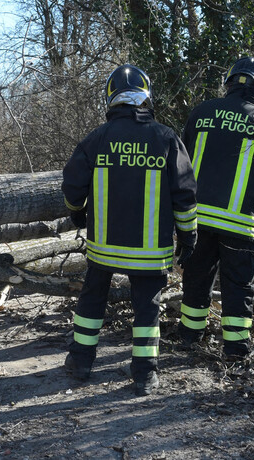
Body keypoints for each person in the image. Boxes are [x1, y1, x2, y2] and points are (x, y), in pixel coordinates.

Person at [62, 64, 198, 396]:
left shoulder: (96, 138)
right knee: (147, 308)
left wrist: (77, 215)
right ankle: (145, 376)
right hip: (150, 251)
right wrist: (188, 235)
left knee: (92, 298)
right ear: (146, 98)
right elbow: (185, 195)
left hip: (103, 247)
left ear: (111, 99)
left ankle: (80, 362)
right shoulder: (167, 138)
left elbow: (72, 186)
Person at [177, 56, 254, 360]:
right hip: (241, 222)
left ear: (228, 81)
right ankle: (236, 351)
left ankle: (189, 336)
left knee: (196, 277)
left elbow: (180, 163)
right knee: (238, 286)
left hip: (197, 219)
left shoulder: (201, 113)